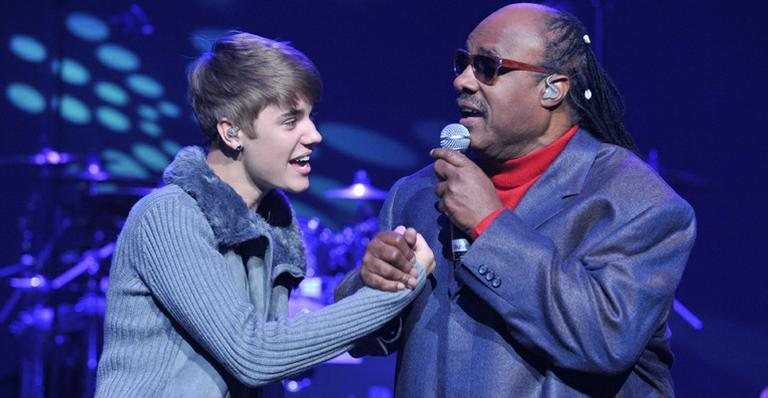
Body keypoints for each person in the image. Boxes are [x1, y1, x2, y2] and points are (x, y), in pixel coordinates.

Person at [335, 3, 696, 397]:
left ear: (552, 88)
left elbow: (606, 339)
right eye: (463, 63)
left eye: (488, 67)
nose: (463, 82)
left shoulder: (636, 201)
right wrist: (371, 284)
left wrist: (490, 224)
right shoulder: (417, 194)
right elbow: (365, 340)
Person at [94, 31, 434, 398]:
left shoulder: (268, 228)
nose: (315, 135)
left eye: (311, 117)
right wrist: (397, 290)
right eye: (291, 121)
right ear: (232, 132)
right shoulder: (169, 215)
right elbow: (254, 354)